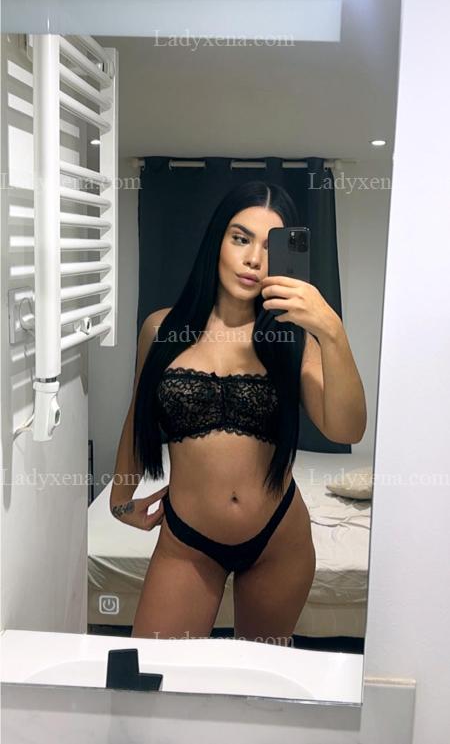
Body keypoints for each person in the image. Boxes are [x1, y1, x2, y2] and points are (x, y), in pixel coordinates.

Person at [110, 180, 367, 644]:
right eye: (241, 238)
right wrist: (119, 500)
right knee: (156, 671)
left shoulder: (293, 340)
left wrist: (331, 329)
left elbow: (346, 428)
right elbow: (137, 416)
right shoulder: (161, 329)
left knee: (258, 677)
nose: (253, 259)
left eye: (270, 246)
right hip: (188, 542)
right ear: (218, 240)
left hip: (278, 542)